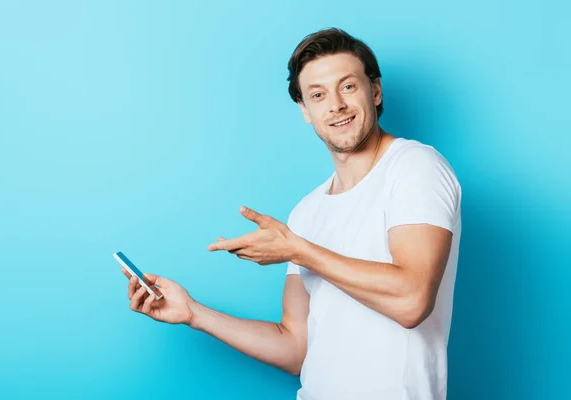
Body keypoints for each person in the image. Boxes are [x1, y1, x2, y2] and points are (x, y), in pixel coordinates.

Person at [121, 27, 462, 400]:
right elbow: (297, 347)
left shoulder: (415, 167)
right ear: (305, 111)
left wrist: (297, 250)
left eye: (348, 86)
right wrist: (194, 313)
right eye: (318, 95)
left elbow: (412, 301)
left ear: (375, 91)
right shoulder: (307, 211)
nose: (335, 105)